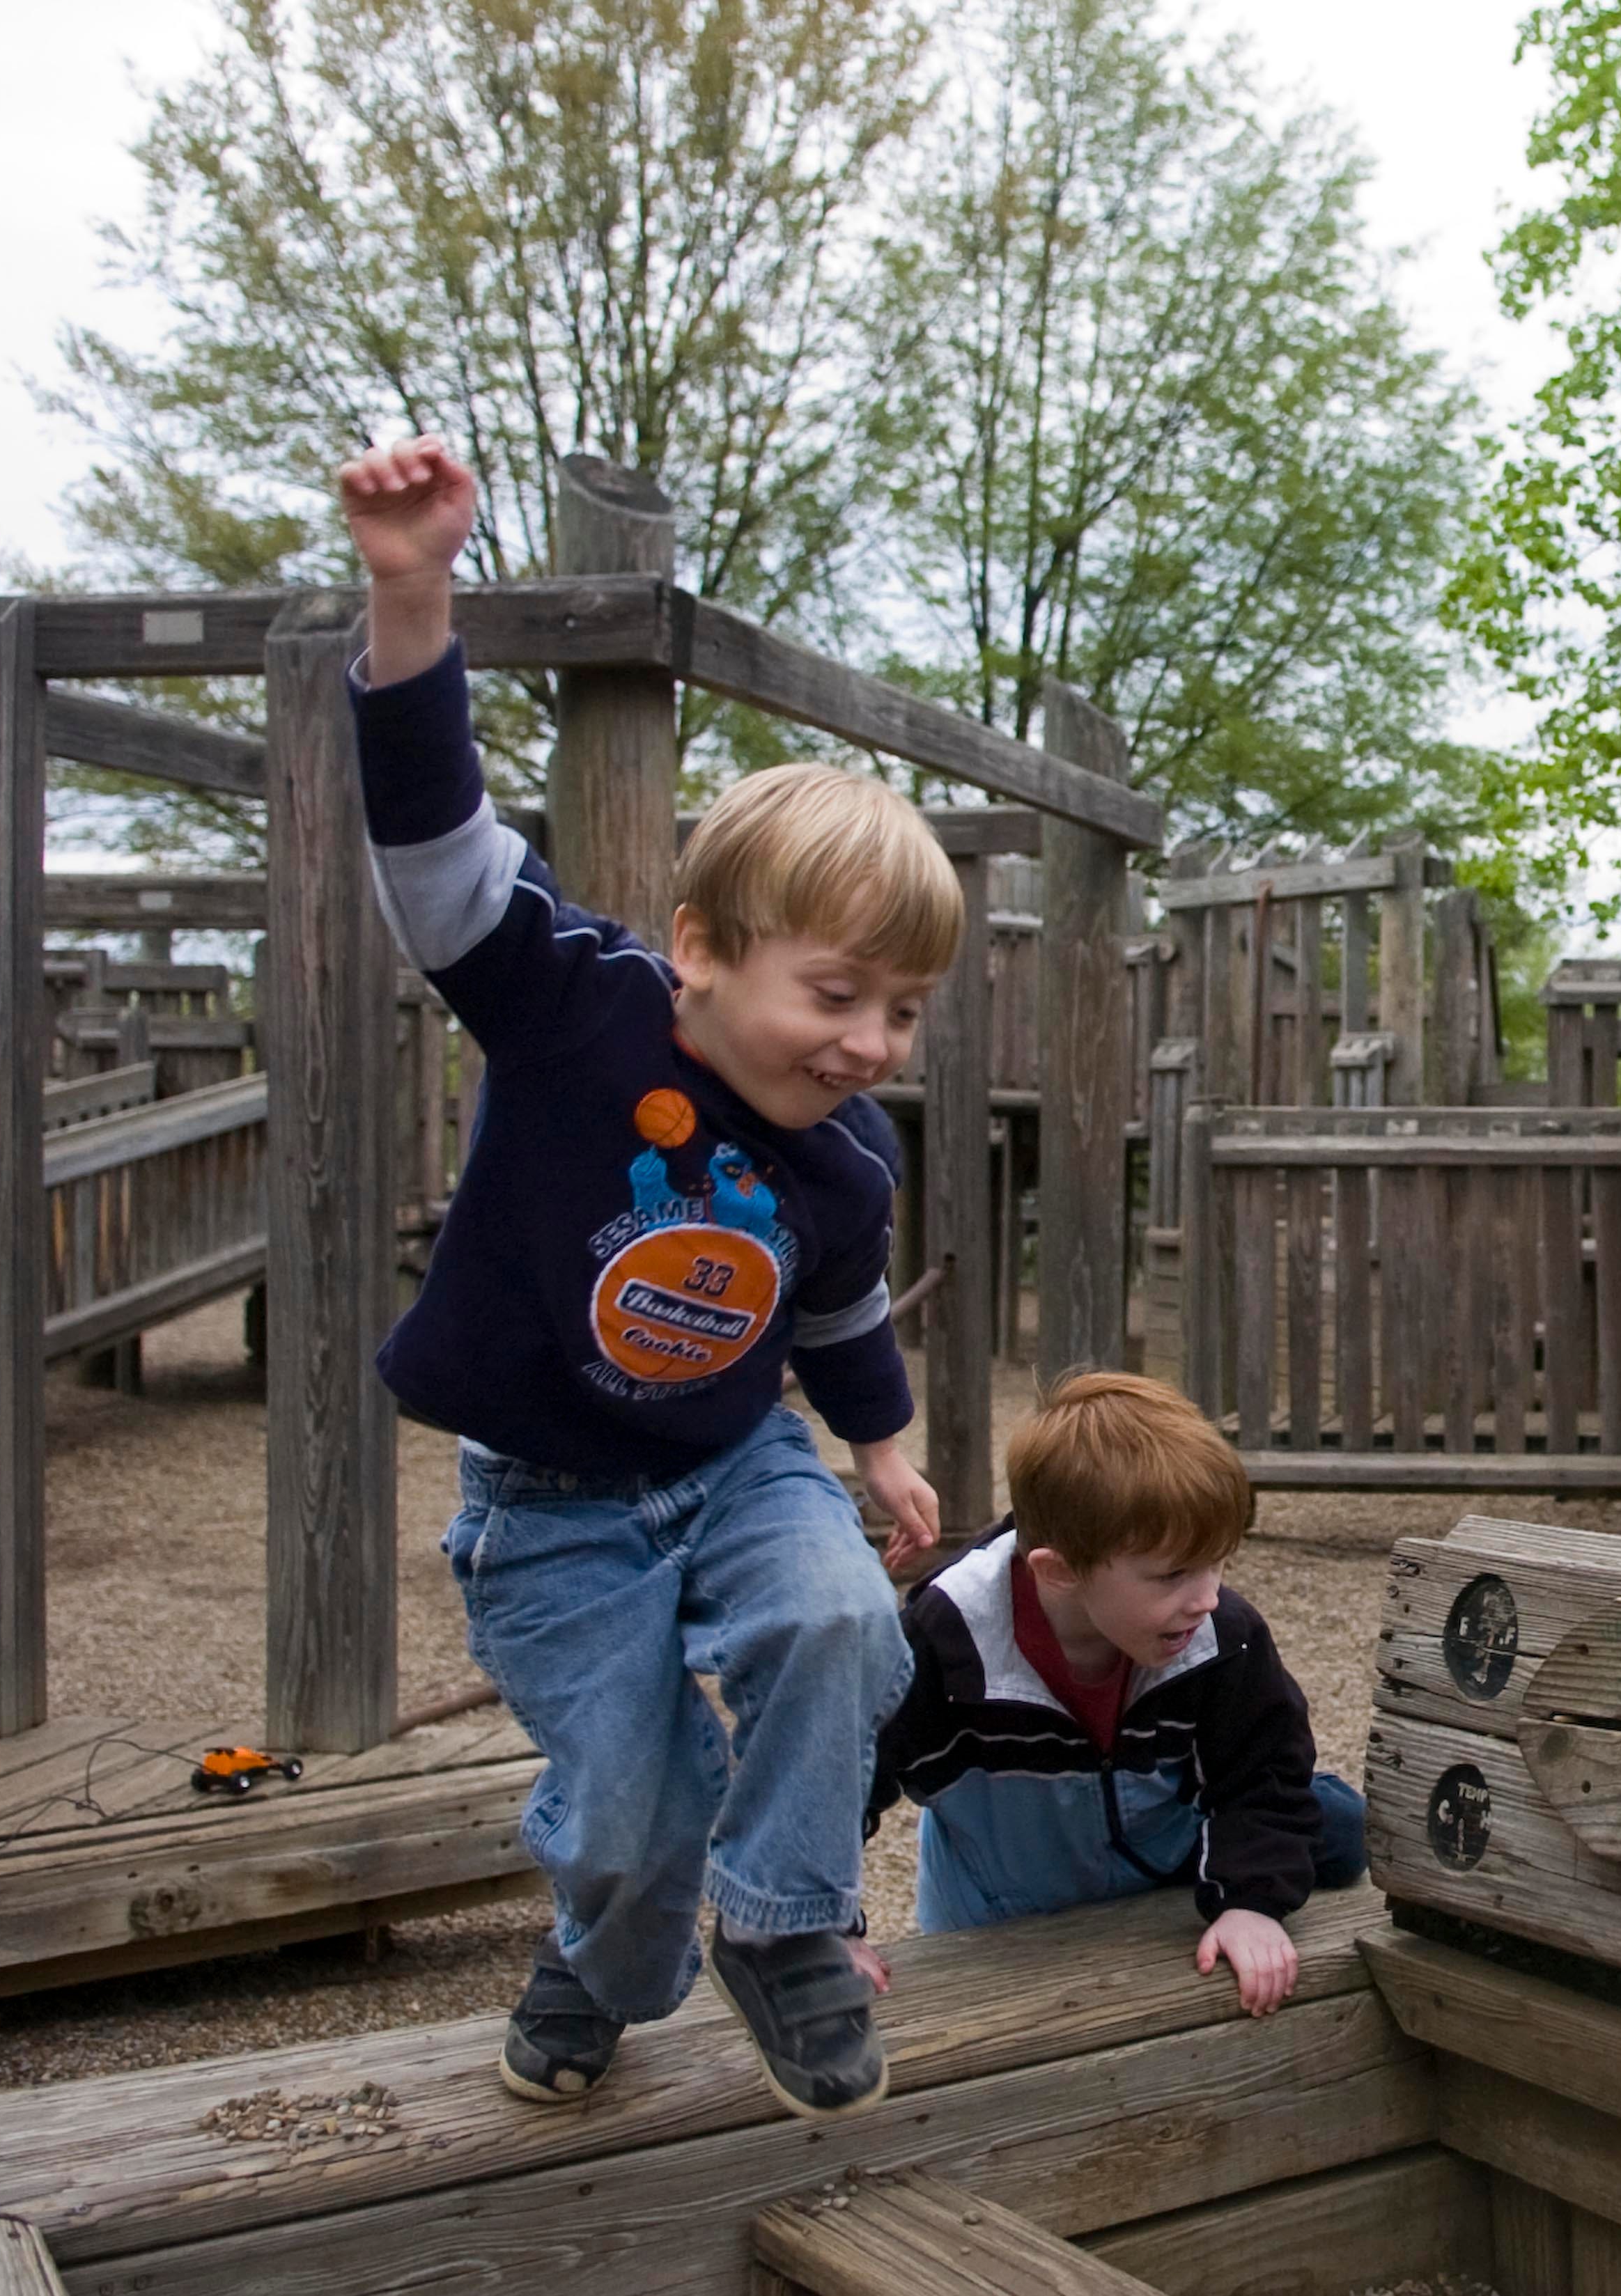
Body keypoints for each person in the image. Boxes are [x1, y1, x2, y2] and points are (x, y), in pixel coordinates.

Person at [335, 435, 954, 2118]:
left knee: (839, 1619)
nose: (868, 1044)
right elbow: (437, 848)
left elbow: (833, 1310)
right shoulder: (569, 1002)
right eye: (835, 996)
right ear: (702, 950)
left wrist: (882, 1450)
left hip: (734, 1457)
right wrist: (413, 596)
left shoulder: (848, 1159)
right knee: (628, 1808)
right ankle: (604, 1966)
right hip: (549, 1497)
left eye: (900, 1012)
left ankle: (783, 1927)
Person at [872, 1372, 1367, 2014]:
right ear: (1061, 1571)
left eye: (1219, 1562)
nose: (1208, 1596)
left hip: (1155, 1850)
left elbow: (1264, 1765)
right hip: (1005, 1898)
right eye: (1173, 1574)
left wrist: (1250, 1902)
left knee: (1337, 1825)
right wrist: (821, 1927)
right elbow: (839, 1775)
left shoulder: (1219, 1633)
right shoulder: (947, 1644)